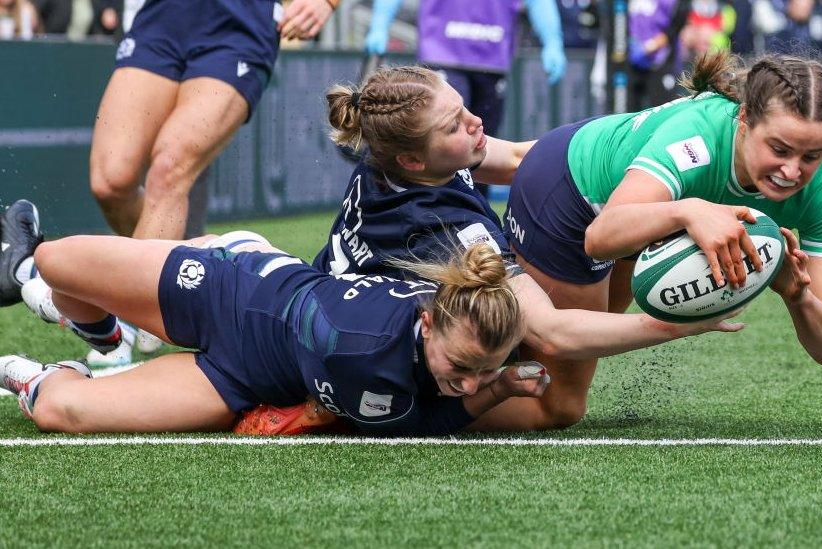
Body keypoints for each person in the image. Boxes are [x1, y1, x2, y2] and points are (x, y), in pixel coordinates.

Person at [234, 65, 746, 434]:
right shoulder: (440, 227)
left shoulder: (401, 154)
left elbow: (529, 156)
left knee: (621, 231)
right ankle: (343, 411)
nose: (475, 123)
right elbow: (554, 332)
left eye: (462, 109)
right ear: (413, 160)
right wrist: (676, 326)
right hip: (373, 353)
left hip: (352, 307)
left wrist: (648, 141)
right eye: (454, 125)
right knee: (561, 406)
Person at [495, 51, 822, 430]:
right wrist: (689, 211)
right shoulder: (698, 139)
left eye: (812, 155)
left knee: (573, 337)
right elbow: (600, 239)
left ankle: (461, 361)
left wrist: (799, 297)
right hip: (569, 190)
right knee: (559, 405)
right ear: (745, 119)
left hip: (645, 218)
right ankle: (431, 410)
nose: (792, 170)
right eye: (779, 149)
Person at [0, 230, 553, 435]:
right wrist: (499, 388)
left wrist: (498, 382)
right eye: (462, 368)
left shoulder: (455, 310)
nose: (475, 385)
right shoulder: (363, 359)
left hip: (233, 378)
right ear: (427, 320)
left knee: (58, 412)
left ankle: (30, 374)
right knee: (54, 259)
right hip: (224, 288)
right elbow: (426, 423)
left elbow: (429, 412)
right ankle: (91, 327)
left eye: (485, 371)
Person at [76, 0, 337, 366]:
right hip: (162, 17)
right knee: (111, 181)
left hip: (239, 22)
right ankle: (177, 265)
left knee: (171, 167)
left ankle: (128, 320)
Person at [364, 0, 567, 197]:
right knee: (447, 139)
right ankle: (431, 210)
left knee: (479, 142)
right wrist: (380, 24)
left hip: (492, 59)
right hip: (443, 52)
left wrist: (553, 40)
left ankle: (475, 210)